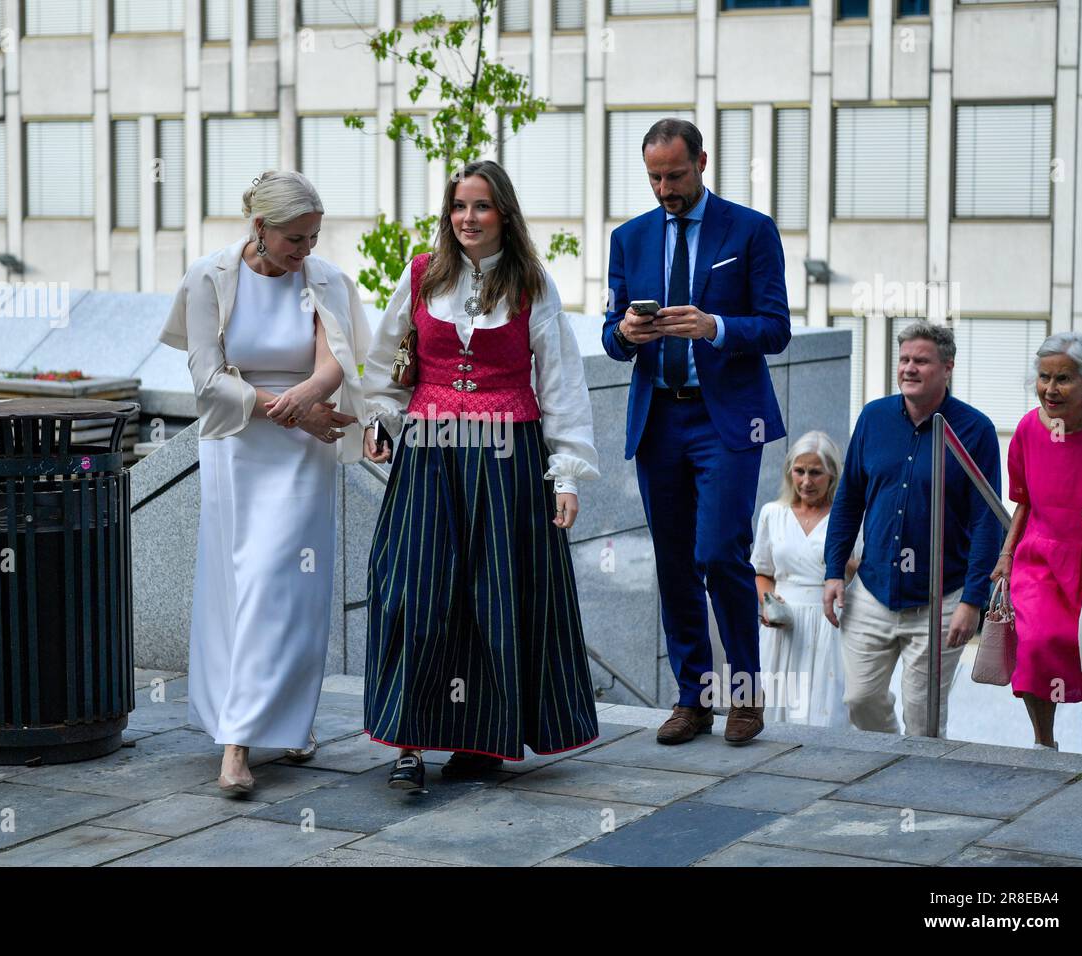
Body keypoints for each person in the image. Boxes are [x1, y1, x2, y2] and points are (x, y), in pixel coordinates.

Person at [360, 159, 601, 791]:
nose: (467, 218)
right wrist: (380, 419)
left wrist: (567, 473)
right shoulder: (421, 274)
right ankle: (409, 742)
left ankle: (482, 741)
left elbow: (562, 384)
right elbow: (385, 362)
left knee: (494, 596)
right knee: (415, 590)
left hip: (507, 463)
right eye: (459, 206)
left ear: (505, 214)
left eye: (481, 206)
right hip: (429, 456)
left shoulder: (531, 285)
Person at [158, 170, 370, 794]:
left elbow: (335, 362)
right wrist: (292, 409)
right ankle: (237, 741)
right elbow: (206, 378)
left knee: (294, 592)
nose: (305, 251)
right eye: (294, 240)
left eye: (312, 237)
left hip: (305, 456)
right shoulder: (209, 277)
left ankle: (286, 721)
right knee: (246, 586)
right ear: (260, 228)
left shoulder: (324, 279)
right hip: (238, 450)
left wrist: (305, 400)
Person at [602, 118, 791, 746]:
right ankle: (692, 697)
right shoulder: (628, 239)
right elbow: (609, 336)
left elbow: (775, 327)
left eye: (676, 175)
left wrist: (714, 327)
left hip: (724, 419)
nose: (665, 188)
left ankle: (745, 693)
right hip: (659, 417)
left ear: (702, 162)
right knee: (674, 562)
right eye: (654, 177)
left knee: (718, 552)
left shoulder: (751, 230)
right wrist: (626, 335)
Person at [824, 321, 1003, 738]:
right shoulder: (873, 418)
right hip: (872, 591)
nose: (909, 368)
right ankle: (889, 765)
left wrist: (973, 600)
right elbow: (848, 498)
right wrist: (834, 571)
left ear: (947, 367)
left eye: (921, 361)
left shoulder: (975, 430)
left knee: (924, 718)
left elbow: (986, 521)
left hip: (941, 599)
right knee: (860, 701)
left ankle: (918, 791)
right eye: (904, 359)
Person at [991, 331, 1082, 755]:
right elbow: (1022, 502)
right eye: (1044, 377)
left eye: (1063, 379)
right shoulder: (1027, 429)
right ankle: (1045, 746)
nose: (1050, 389)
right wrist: (1006, 554)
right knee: (1038, 645)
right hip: (1040, 558)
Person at [752, 431, 860, 727]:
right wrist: (767, 603)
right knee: (778, 708)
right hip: (783, 627)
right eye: (799, 471)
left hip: (831, 623)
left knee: (828, 710)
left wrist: (845, 567)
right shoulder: (772, 513)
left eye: (815, 472)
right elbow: (762, 570)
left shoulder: (848, 518)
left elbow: (859, 572)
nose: (806, 481)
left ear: (832, 475)